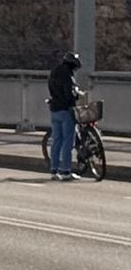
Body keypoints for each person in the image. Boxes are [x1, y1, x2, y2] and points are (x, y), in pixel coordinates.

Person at [48, 52, 83, 182]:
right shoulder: (67, 76)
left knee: (56, 141)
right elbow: (68, 94)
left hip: (54, 109)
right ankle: (66, 171)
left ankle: (54, 170)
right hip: (65, 110)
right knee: (68, 142)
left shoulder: (54, 72)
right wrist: (76, 95)